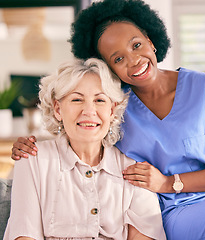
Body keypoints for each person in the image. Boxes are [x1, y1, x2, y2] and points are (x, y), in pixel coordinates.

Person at [11, 0, 205, 239]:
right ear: (110, 69)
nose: (134, 60)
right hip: (163, 211)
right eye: (118, 58)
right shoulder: (115, 101)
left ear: (151, 40)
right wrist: (32, 146)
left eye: (136, 45)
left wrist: (170, 182)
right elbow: (84, 127)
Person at [5, 58, 166, 240]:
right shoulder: (32, 159)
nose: (89, 111)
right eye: (76, 99)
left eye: (99, 100)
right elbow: (24, 234)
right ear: (58, 108)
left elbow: (144, 236)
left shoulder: (134, 168)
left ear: (112, 110)